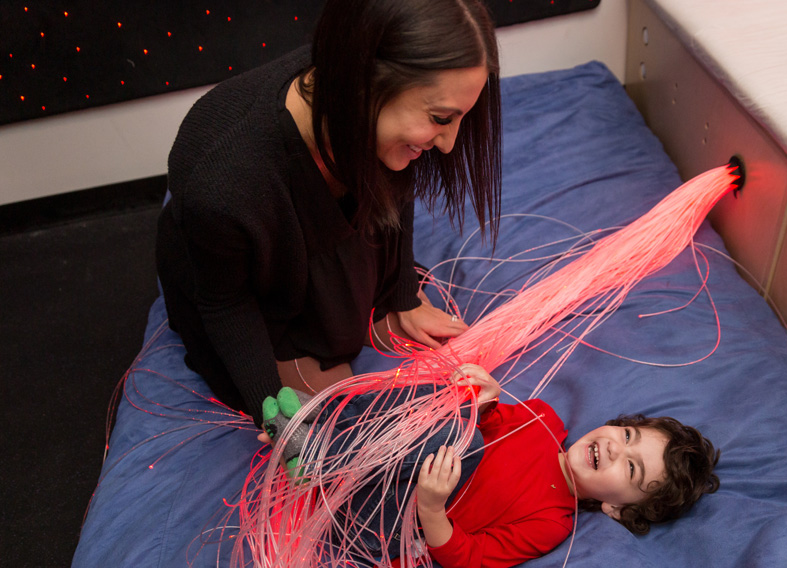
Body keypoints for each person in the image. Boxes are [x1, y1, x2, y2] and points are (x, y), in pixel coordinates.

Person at [156, 0, 502, 427]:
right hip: (246, 290)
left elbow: (400, 183)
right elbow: (226, 303)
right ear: (364, 90)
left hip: (300, 242)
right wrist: (273, 410)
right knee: (334, 419)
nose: (450, 144)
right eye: (440, 118)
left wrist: (401, 294)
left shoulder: (361, 84)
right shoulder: (225, 182)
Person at [262, 364, 721, 567]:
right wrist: (482, 393)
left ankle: (320, 454)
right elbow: (484, 419)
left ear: (618, 510)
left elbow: (470, 558)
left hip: (381, 519)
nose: (617, 450)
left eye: (632, 471)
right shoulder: (544, 416)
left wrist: (432, 509)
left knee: (459, 445)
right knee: (445, 404)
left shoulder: (553, 522)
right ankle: (323, 424)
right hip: (381, 459)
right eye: (627, 436)